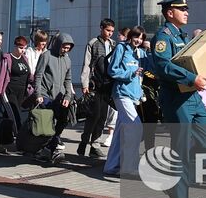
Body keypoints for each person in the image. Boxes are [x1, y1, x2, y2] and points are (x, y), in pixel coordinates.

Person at [151, 0, 206, 198]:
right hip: (176, 101)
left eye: (186, 9)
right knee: (180, 153)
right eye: (182, 9)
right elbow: (163, 66)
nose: (187, 12)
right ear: (170, 13)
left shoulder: (183, 35)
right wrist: (191, 78)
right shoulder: (163, 36)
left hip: (194, 99)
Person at [104, 27, 145, 177]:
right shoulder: (121, 48)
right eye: (136, 37)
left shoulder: (138, 52)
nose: (138, 40)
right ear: (130, 36)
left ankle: (111, 166)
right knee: (135, 127)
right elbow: (112, 70)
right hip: (121, 94)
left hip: (132, 96)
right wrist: (130, 73)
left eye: (141, 38)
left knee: (120, 133)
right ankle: (128, 166)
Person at [31, 31, 75, 164]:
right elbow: (38, 76)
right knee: (48, 124)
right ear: (58, 44)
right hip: (45, 95)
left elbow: (68, 80)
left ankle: (48, 148)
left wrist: (68, 95)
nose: (66, 50)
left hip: (60, 97)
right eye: (64, 47)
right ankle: (52, 149)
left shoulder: (67, 59)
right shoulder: (47, 55)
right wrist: (38, 94)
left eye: (68, 48)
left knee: (63, 120)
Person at [77, 19, 116, 159]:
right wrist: (84, 83)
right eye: (107, 30)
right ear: (101, 28)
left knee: (102, 117)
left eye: (112, 31)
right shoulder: (93, 43)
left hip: (107, 86)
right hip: (94, 85)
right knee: (93, 115)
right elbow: (87, 64)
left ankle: (95, 145)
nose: (110, 33)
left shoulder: (113, 44)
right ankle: (84, 141)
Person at [0, 34, 34, 150]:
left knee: (7, 118)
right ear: (15, 46)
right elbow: (1, 76)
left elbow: (29, 75)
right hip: (9, 92)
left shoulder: (25, 59)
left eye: (25, 48)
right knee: (16, 117)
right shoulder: (7, 58)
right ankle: (22, 144)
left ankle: (0, 142)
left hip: (22, 93)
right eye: (21, 47)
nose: (23, 50)